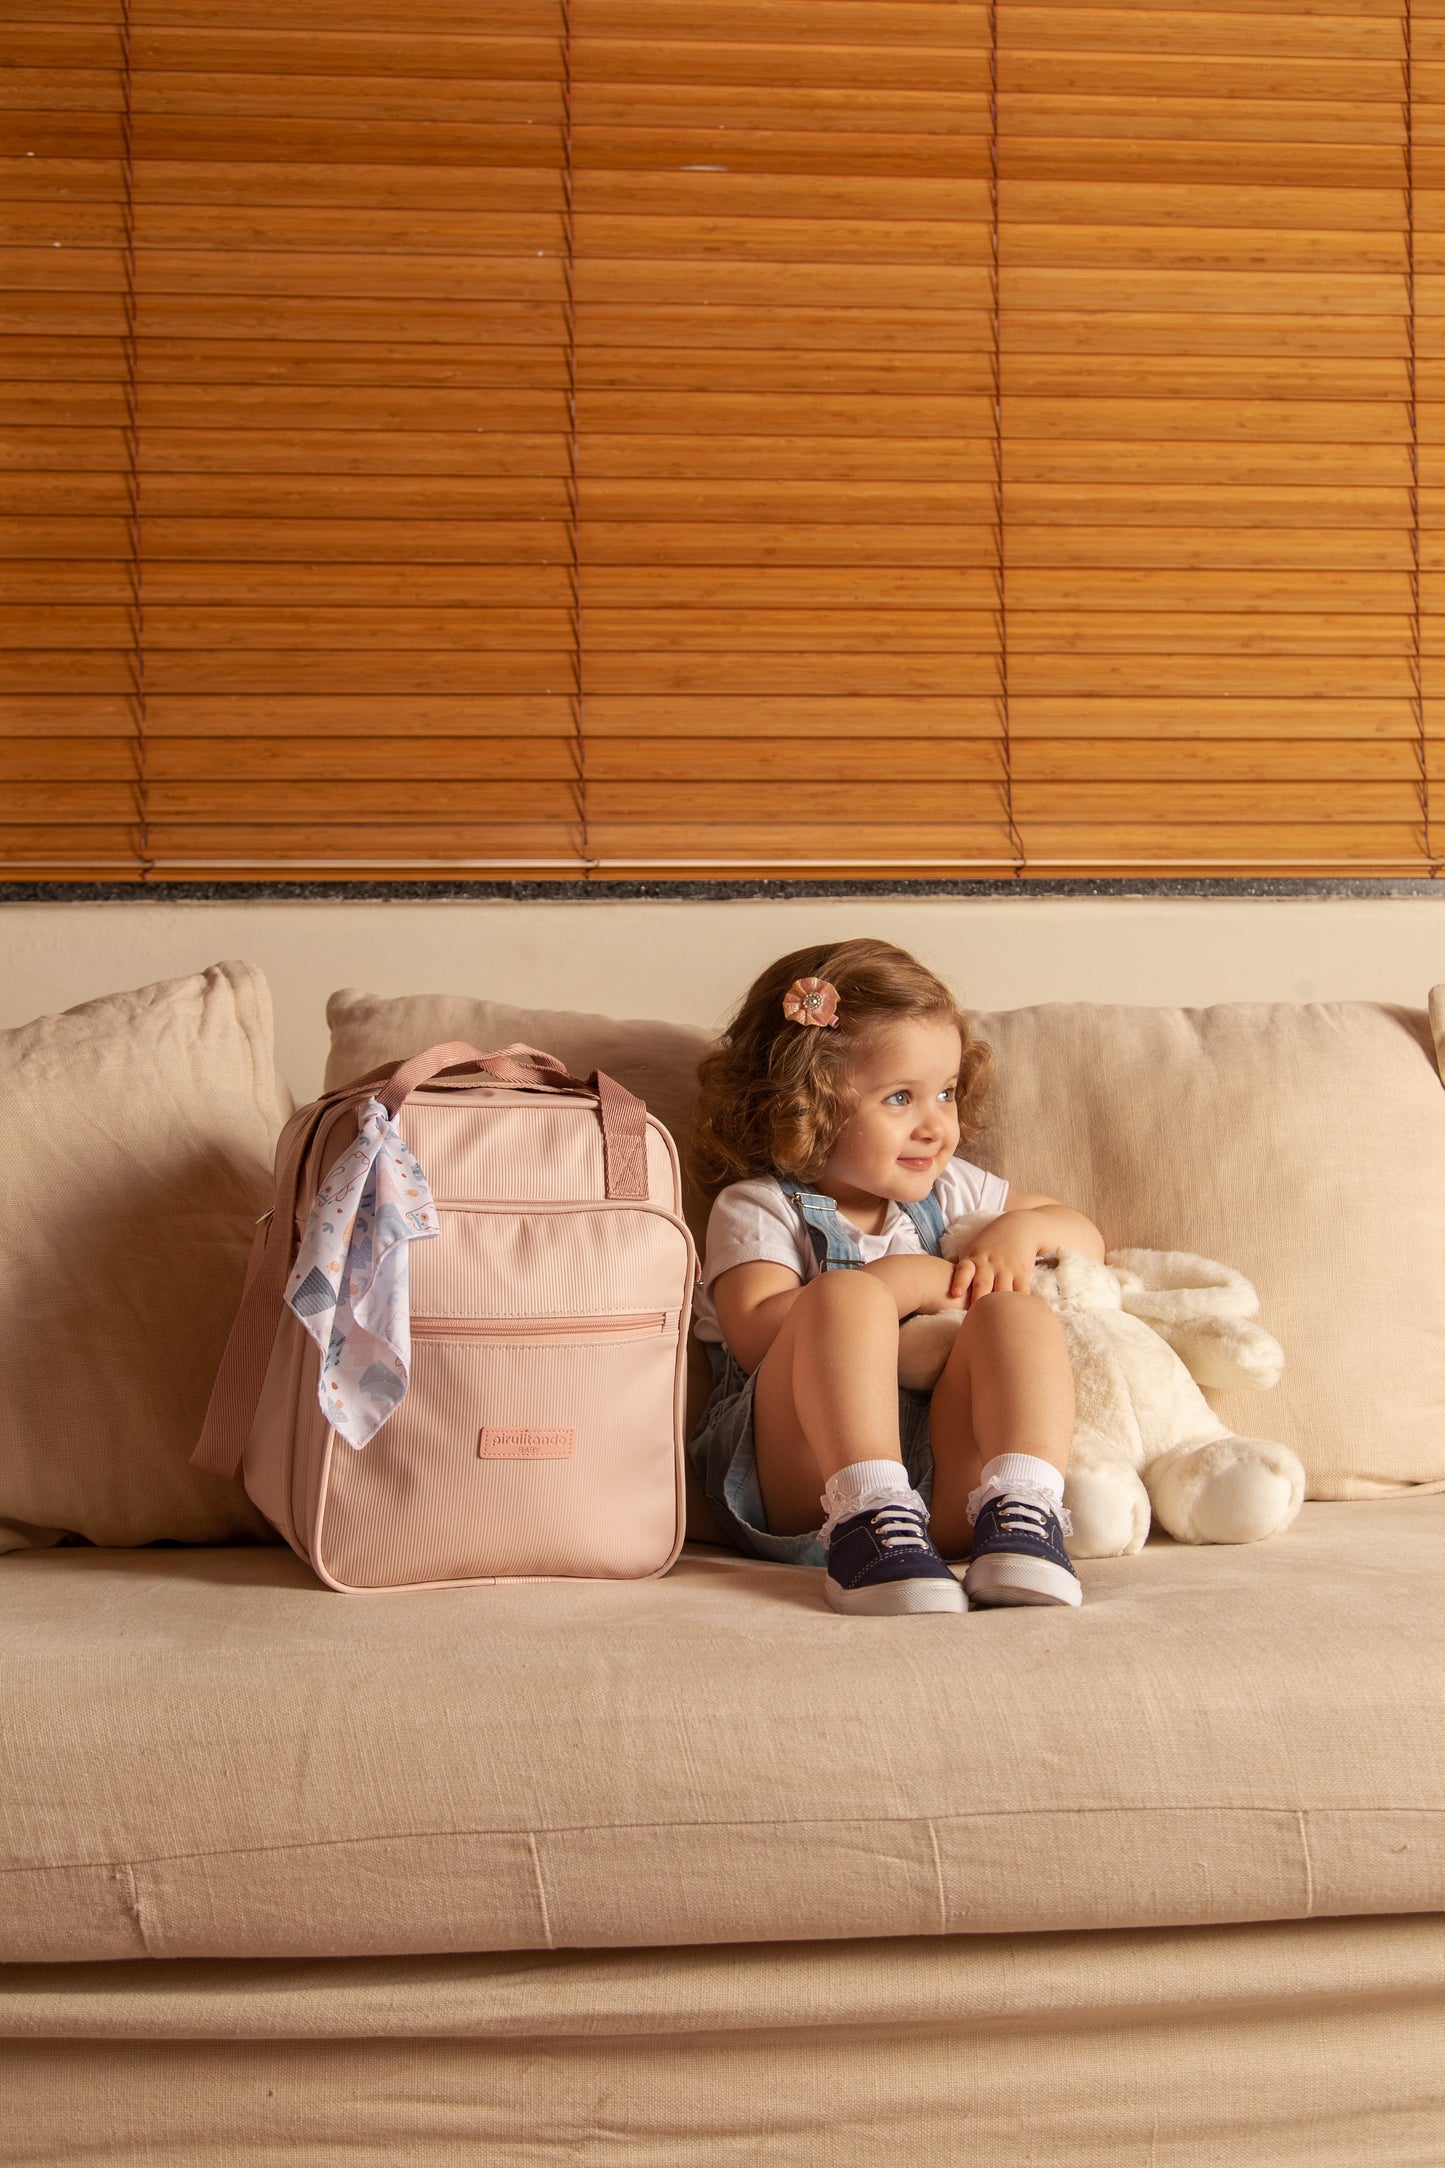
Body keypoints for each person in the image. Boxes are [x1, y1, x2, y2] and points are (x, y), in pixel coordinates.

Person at [685, 937, 1106, 1618]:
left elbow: (1086, 1238)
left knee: (1016, 1311)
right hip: (806, 1491)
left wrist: (1022, 1232)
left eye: (945, 1093)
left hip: (945, 1501)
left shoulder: (953, 1189)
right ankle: (869, 1515)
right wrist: (901, 1282)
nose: (934, 1126)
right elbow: (758, 1336)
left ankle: (1022, 1514)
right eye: (900, 1098)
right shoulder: (760, 1206)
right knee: (844, 1296)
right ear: (805, 1103)